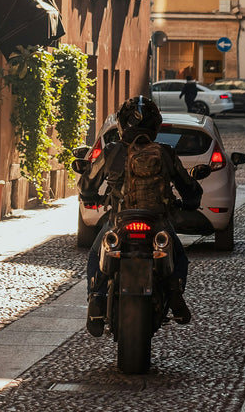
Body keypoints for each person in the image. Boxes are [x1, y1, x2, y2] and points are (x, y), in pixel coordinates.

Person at [78, 95, 203, 337]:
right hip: (157, 221)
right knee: (178, 256)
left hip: (120, 220)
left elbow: (88, 183)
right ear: (156, 126)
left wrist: (89, 196)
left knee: (96, 254)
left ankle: (96, 303)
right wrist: (190, 202)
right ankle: (176, 297)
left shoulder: (112, 151)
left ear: (122, 126)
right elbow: (189, 187)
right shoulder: (165, 152)